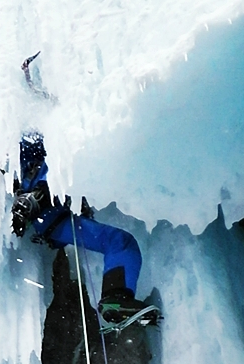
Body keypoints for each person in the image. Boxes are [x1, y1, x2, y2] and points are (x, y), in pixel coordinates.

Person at [12, 132, 154, 325]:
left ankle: (116, 299)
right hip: (48, 213)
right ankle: (116, 297)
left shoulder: (34, 131)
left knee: (121, 243)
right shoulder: (28, 132)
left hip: (53, 217)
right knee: (120, 243)